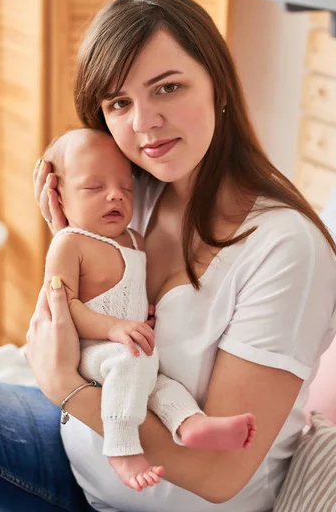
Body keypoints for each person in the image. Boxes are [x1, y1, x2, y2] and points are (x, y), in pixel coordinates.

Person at [0, 0, 336, 512]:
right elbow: (94, 322)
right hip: (75, 452)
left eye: (167, 88)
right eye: (119, 102)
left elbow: (220, 472)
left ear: (219, 86)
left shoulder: (286, 250)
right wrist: (72, 242)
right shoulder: (133, 193)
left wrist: (63, 387)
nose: (143, 124)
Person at [41, 127, 256, 491]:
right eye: (94, 188)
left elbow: (129, 293)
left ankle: (190, 425)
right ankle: (121, 447)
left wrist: (143, 312)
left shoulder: (135, 239)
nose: (115, 195)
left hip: (126, 350)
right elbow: (63, 305)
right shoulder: (69, 243)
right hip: (88, 351)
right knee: (134, 363)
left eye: (126, 188)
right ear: (58, 195)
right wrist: (112, 327)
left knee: (157, 382)